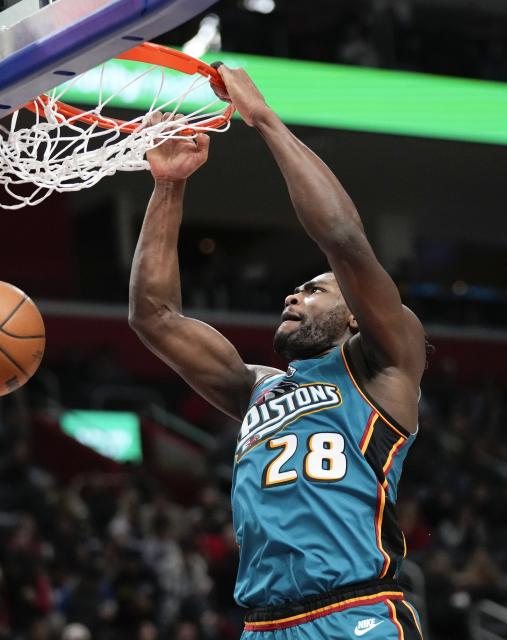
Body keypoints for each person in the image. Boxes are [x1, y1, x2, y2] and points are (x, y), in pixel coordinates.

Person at [128, 64, 427, 639]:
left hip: (355, 613)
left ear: (356, 315)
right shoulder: (258, 388)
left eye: (315, 289)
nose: (294, 294)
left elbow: (343, 239)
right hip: (265, 625)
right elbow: (155, 317)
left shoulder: (384, 365)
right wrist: (168, 186)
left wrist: (262, 118)